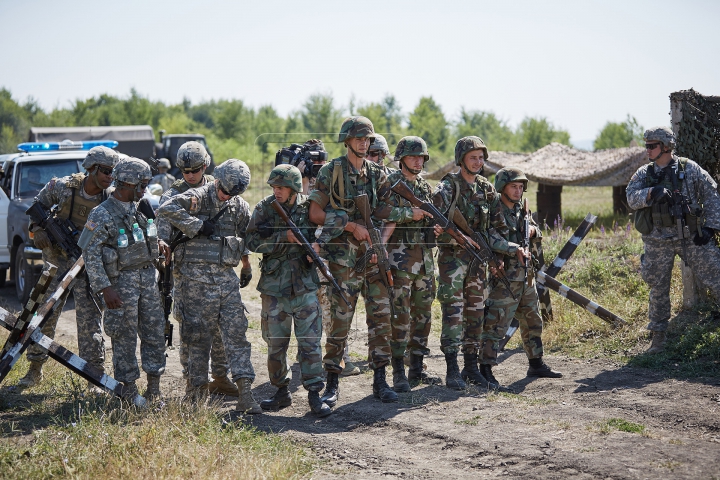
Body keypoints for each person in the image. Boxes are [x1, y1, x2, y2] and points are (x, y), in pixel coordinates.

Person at [308, 116, 413, 404]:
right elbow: (315, 214)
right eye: (358, 139)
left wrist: (382, 239)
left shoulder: (378, 174)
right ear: (347, 141)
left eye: (367, 139)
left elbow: (389, 210)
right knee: (341, 322)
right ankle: (332, 381)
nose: (364, 143)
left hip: (373, 258)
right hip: (344, 260)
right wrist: (351, 226)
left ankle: (380, 380)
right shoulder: (332, 172)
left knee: (381, 319)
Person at [157, 158, 260, 413]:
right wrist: (197, 225)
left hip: (226, 282)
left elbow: (246, 233)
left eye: (233, 193)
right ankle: (196, 394)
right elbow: (166, 208)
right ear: (217, 180)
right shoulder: (198, 196)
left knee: (237, 335)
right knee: (197, 339)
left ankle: (245, 395)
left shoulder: (237, 204)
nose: (227, 197)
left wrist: (246, 264)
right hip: (195, 283)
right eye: (224, 191)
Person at [17, 146, 119, 389]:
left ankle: (93, 378)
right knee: (45, 315)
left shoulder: (110, 198)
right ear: (91, 169)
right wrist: (39, 230)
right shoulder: (62, 187)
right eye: (105, 171)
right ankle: (35, 369)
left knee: (90, 322)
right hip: (58, 260)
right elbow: (37, 205)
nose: (109, 177)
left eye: (112, 172)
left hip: (88, 264)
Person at [432, 136, 521, 390]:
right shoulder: (449, 186)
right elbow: (436, 222)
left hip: (479, 264)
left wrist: (499, 256)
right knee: (453, 313)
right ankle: (452, 369)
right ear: (461, 159)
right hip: (453, 263)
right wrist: (457, 238)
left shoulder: (486, 188)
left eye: (481, 157)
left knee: (476, 314)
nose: (478, 162)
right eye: (473, 157)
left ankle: (471, 367)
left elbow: (497, 227)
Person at [246, 164, 331, 417]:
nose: (277, 191)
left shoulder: (310, 208)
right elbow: (250, 241)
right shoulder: (264, 208)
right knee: (275, 344)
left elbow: (328, 234)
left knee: (310, 344)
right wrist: (283, 238)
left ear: (294, 188)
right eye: (274, 186)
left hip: (305, 286)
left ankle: (315, 394)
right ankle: (281, 391)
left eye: (281, 187)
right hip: (274, 289)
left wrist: (317, 248)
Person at [78, 157, 166, 400]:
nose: (145, 190)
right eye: (141, 185)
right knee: (124, 338)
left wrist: (158, 244)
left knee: (154, 333)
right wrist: (105, 288)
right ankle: (128, 392)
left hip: (148, 282)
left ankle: (154, 391)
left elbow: (144, 237)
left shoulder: (141, 209)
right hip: (121, 286)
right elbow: (90, 253)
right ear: (127, 184)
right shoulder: (102, 213)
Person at [626, 126, 720, 353]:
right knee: (657, 288)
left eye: (652, 145)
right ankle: (658, 339)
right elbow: (630, 197)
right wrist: (650, 193)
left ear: (666, 146)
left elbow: (711, 193)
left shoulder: (690, 169)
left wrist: (711, 227)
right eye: (646, 145)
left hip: (691, 236)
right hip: (657, 240)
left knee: (716, 275)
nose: (647, 150)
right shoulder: (644, 174)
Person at [479, 167, 562, 389]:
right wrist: (513, 247)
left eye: (520, 187)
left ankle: (536, 362)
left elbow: (535, 231)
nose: (518, 191)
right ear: (502, 188)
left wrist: (534, 231)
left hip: (526, 276)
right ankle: (485, 368)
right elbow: (490, 237)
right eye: (513, 186)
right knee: (496, 323)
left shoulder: (521, 210)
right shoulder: (493, 211)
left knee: (533, 320)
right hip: (504, 277)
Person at [298, 139, 360, 377]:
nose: (318, 163)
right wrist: (302, 179)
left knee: (330, 304)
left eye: (322, 158)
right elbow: (303, 211)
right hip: (308, 251)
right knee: (312, 306)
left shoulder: (332, 177)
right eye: (314, 160)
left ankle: (340, 358)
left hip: (329, 250)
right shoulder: (300, 182)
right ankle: (313, 354)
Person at [384, 136, 441, 389]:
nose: (418, 161)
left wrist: (435, 229)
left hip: (425, 264)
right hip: (400, 263)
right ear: (402, 159)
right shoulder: (389, 184)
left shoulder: (425, 188)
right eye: (413, 156)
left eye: (422, 157)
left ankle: (416, 370)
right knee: (400, 317)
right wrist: (410, 213)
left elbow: (426, 221)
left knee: (423, 318)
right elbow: (380, 213)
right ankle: (397, 373)